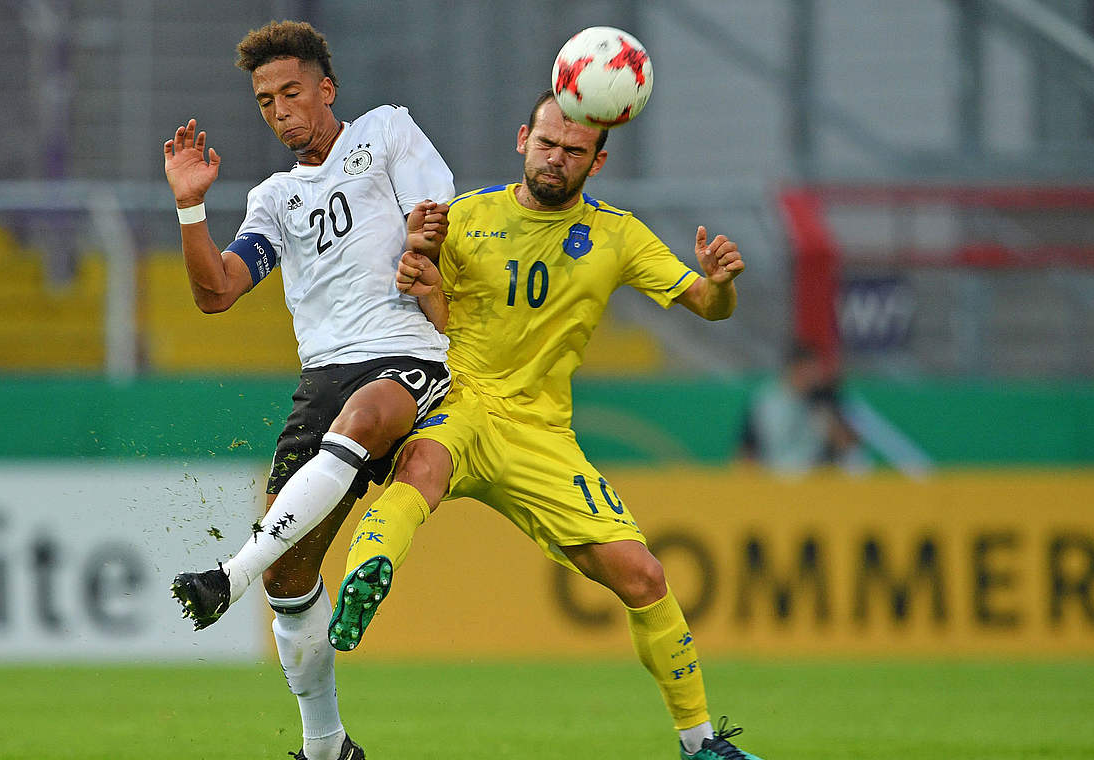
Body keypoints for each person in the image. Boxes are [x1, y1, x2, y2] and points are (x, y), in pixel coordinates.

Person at [330, 91, 763, 760]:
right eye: (547, 144)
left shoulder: (619, 235)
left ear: (599, 159)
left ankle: (702, 744)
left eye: (574, 151)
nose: (556, 159)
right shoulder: (464, 219)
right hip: (464, 398)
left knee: (644, 576)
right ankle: (367, 573)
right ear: (522, 138)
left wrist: (722, 282)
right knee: (424, 466)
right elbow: (422, 314)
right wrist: (416, 271)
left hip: (542, 433)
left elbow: (709, 305)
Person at [162, 21, 455, 760]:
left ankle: (228, 573)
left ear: (327, 89)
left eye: (293, 92)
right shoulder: (273, 199)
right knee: (291, 578)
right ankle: (326, 748)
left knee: (364, 419)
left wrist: (423, 243)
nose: (281, 110)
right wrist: (191, 207)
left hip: (406, 355)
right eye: (266, 101)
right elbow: (217, 292)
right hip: (322, 377)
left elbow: (437, 211)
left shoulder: (387, 132)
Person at [738, 342, 869, 475]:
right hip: (774, 475)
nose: (813, 376)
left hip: (816, 474)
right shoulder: (766, 401)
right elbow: (748, 446)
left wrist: (828, 419)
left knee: (855, 458)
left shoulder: (824, 398)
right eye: (808, 370)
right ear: (793, 369)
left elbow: (848, 444)